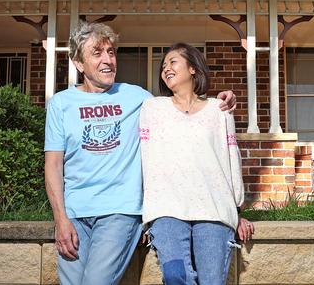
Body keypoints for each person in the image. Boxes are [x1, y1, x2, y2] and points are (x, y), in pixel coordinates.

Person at [44, 22, 236, 285]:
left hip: (119, 210)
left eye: (111, 52)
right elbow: (53, 165)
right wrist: (60, 218)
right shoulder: (60, 104)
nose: (108, 60)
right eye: (97, 53)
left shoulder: (139, 99)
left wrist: (219, 101)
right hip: (75, 211)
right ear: (78, 63)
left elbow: (182, 111)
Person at [139, 43, 255, 285]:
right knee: (175, 276)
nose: (165, 69)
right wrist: (142, 212)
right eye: (163, 66)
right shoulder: (152, 108)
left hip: (213, 210)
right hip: (166, 210)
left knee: (212, 282)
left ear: (192, 68)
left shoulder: (219, 109)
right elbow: (144, 159)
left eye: (172, 62)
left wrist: (236, 210)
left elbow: (231, 161)